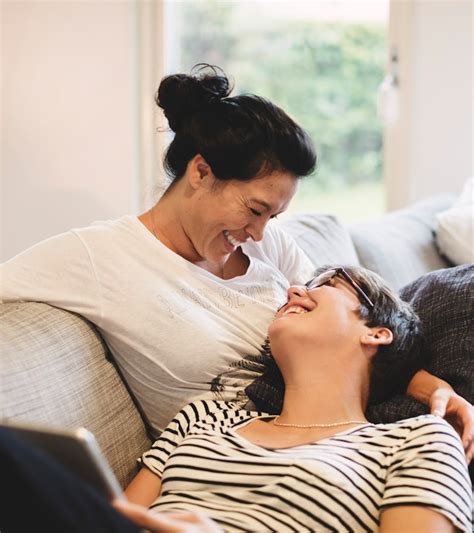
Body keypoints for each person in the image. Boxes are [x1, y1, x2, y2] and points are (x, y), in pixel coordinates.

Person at [0, 65, 472, 443]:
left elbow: (352, 336)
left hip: (340, 429)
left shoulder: (267, 243)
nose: (259, 231)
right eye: (255, 209)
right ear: (201, 172)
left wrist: (433, 387)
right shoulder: (99, 256)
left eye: (274, 216)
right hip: (232, 464)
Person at [123, 265, 472, 532]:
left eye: (328, 284)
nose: (293, 291)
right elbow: (113, 520)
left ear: (377, 334)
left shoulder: (419, 441)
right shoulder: (204, 417)